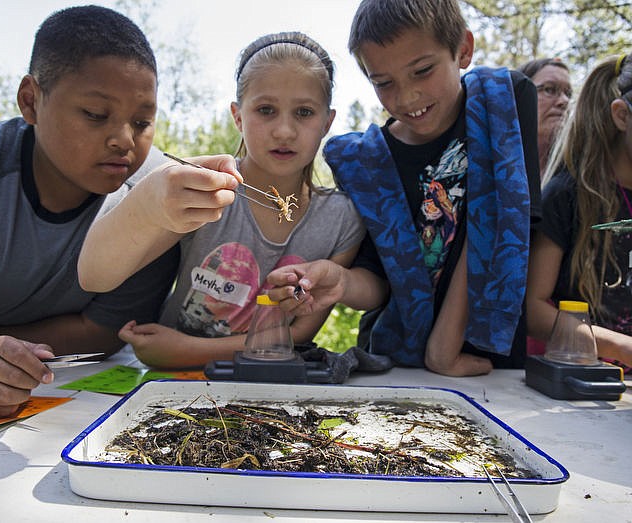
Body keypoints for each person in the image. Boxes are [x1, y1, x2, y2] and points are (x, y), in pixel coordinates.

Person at [0, 5, 240, 418]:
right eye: (95, 115)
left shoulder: (159, 201)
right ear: (30, 101)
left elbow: (106, 333)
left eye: (142, 122)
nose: (123, 140)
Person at [267, 0, 541, 377]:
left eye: (423, 71)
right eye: (384, 83)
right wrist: (339, 280)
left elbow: (502, 221)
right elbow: (376, 281)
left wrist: (443, 344)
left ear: (463, 49)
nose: (407, 96)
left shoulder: (505, 100)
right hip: (392, 365)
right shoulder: (362, 161)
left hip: (488, 361)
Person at [78, 32, 365, 369]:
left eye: (304, 112)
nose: (284, 130)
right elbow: (94, 275)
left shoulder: (341, 219)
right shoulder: (202, 189)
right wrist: (147, 200)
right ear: (238, 116)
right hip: (170, 386)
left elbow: (298, 333)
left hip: (261, 385)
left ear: (327, 122)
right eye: (266, 110)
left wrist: (185, 351)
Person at [526, 54, 632, 373]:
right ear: (622, 116)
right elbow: (532, 308)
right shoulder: (566, 194)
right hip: (574, 382)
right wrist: (621, 346)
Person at [517, 58, 573, 178]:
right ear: (519, 97)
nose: (564, 101)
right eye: (549, 89)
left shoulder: (581, 174)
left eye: (568, 94)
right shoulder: (492, 168)